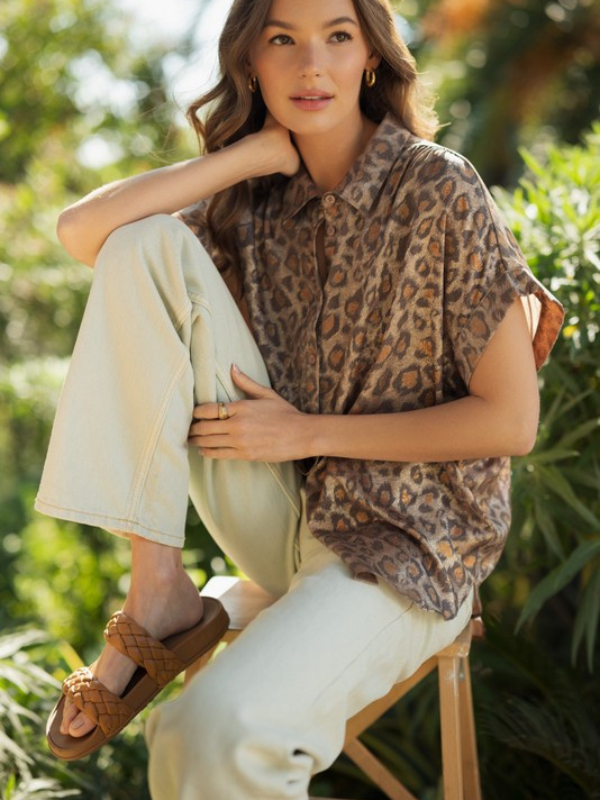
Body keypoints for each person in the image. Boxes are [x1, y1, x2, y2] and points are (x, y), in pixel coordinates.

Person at [36, 0, 564, 796]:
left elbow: (510, 421)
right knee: (140, 244)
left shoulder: (435, 188)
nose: (311, 65)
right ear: (251, 62)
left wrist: (303, 431)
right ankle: (157, 592)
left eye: (338, 37)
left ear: (372, 59)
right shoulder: (248, 205)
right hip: (282, 516)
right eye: (282, 40)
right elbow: (85, 235)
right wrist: (246, 160)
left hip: (410, 546)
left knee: (208, 731)